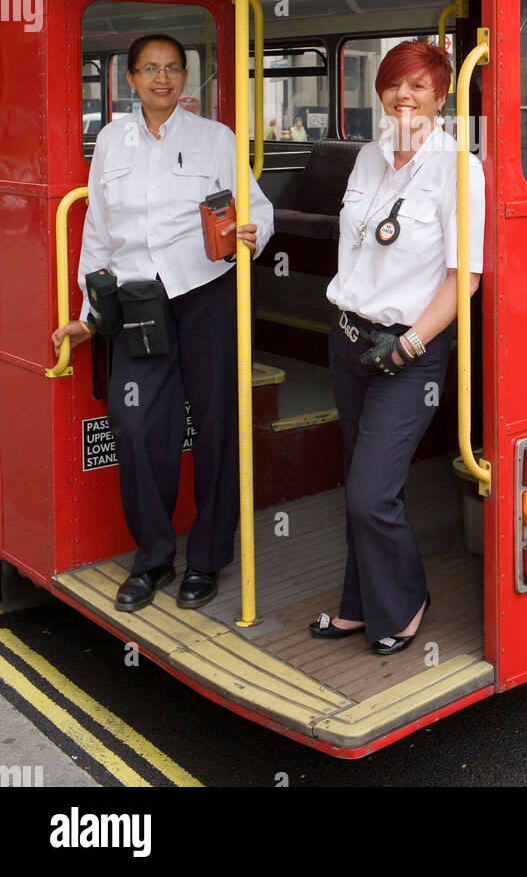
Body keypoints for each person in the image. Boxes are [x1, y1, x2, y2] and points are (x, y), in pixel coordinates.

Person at [52, 35, 274, 614]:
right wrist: (86, 316)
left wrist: (251, 237)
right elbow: (97, 231)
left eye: (173, 68)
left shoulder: (214, 138)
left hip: (205, 297)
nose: (162, 78)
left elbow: (259, 209)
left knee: (217, 424)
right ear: (129, 79)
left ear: (186, 77)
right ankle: (153, 558)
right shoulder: (111, 140)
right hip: (138, 304)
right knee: (132, 424)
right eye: (149, 69)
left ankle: (205, 559)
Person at [311, 40, 484, 655]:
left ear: (441, 96)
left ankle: (406, 601)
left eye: (419, 87)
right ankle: (362, 604)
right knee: (363, 482)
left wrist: (409, 345)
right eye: (394, 86)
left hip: (410, 354)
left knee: (370, 493)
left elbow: (466, 277)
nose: (404, 97)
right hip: (350, 340)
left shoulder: (459, 168)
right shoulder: (367, 158)